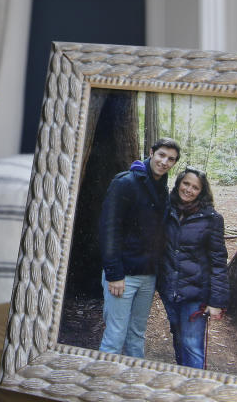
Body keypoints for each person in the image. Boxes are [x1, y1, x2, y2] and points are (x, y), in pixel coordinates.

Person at [97, 137, 180, 357]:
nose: (164, 161)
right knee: (115, 336)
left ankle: (134, 381)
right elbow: (109, 229)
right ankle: (103, 386)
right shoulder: (125, 182)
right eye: (161, 155)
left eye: (171, 159)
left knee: (137, 334)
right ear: (151, 152)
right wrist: (114, 274)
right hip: (123, 275)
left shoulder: (162, 187)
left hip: (147, 275)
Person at [157, 167, 229, 370]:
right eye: (186, 183)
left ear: (202, 192)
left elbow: (218, 261)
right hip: (170, 291)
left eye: (195, 187)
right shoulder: (168, 210)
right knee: (179, 339)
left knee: (191, 345)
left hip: (196, 294)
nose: (188, 189)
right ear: (179, 183)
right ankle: (183, 382)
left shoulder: (212, 219)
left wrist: (217, 301)